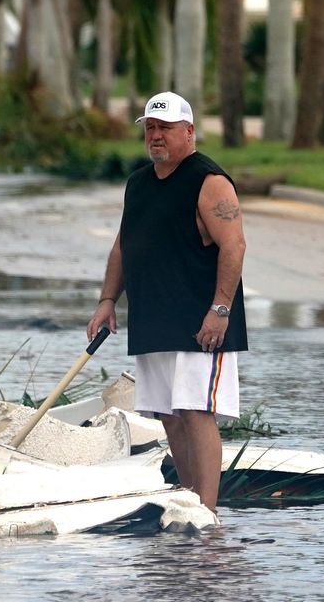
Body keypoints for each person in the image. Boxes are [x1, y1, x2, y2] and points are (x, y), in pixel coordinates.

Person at [86, 91, 247, 515]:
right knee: (169, 415)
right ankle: (188, 500)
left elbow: (234, 246)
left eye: (166, 128)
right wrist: (107, 300)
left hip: (201, 320)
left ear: (189, 132)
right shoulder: (138, 182)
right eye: (151, 128)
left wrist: (220, 310)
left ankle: (207, 512)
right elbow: (125, 245)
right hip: (153, 318)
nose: (156, 136)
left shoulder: (209, 181)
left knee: (196, 411)